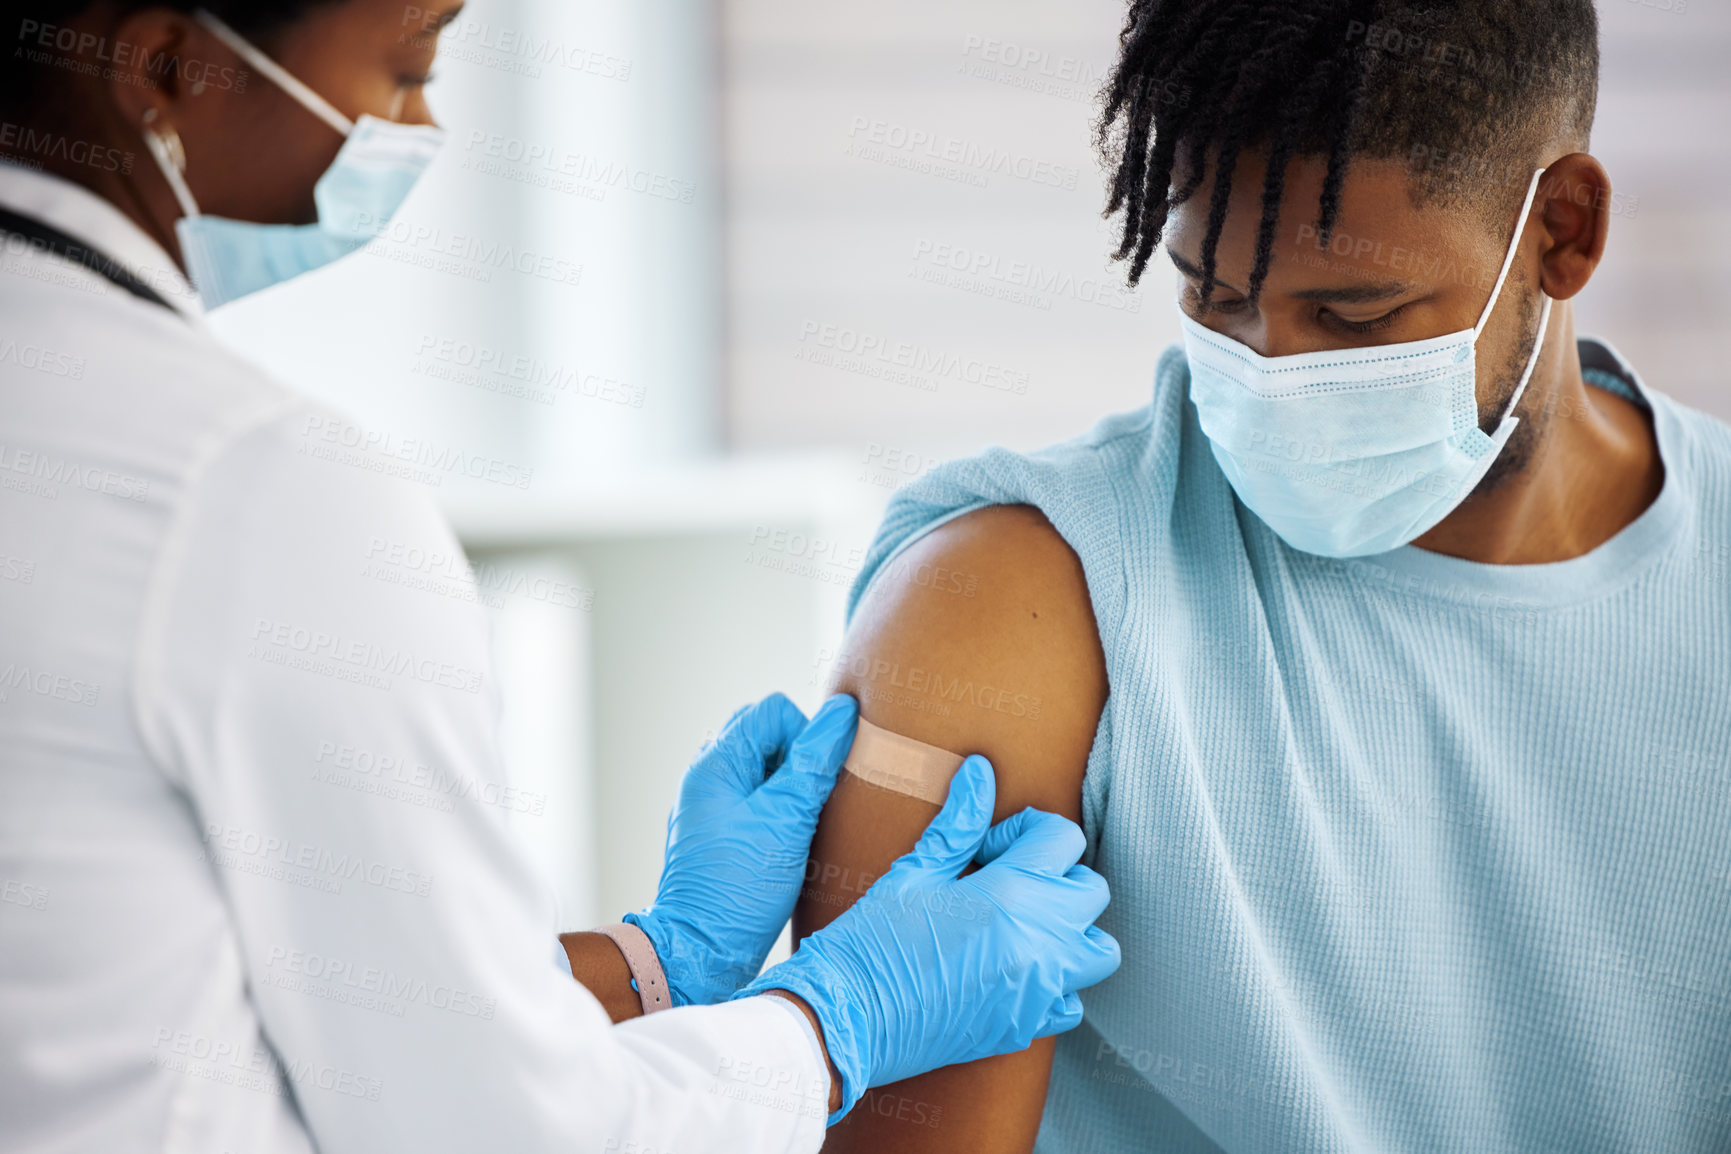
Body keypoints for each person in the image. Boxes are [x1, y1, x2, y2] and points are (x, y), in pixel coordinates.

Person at [0, 2, 1122, 1152]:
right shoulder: (250, 486)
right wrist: (836, 1019)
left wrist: (656, 959)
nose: (418, 124)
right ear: (165, 67)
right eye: (404, 69)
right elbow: (495, 1127)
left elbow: (202, 975)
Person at [798, 1, 1731, 1151]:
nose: (1271, 374)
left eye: (1353, 313)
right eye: (1215, 295)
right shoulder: (1015, 594)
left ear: (1563, 231)